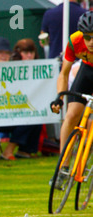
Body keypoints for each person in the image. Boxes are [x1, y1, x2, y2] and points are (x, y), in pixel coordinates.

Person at [51, 11, 93, 159]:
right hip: (87, 71)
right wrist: (60, 97)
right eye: (87, 37)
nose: (91, 42)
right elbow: (64, 74)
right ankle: (64, 164)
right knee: (71, 115)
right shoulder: (74, 41)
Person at [0, 38, 42, 160]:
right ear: (18, 54)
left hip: (22, 112)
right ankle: (8, 151)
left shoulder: (38, 69)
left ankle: (25, 150)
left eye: (31, 52)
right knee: (28, 117)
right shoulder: (8, 68)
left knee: (36, 117)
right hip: (4, 113)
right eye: (25, 52)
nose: (29, 56)